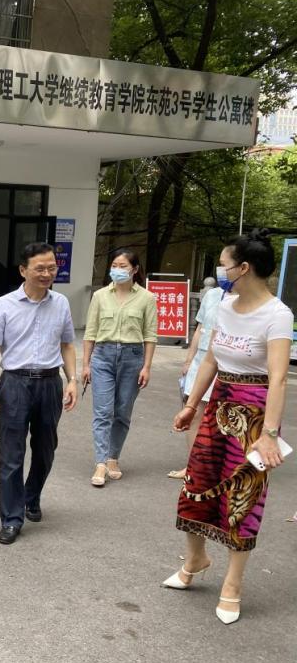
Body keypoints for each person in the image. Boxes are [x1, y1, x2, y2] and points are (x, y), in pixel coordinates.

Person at [164, 229, 293, 625]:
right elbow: (211, 360)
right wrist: (191, 405)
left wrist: (269, 434)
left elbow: (278, 378)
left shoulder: (277, 314)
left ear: (244, 268)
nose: (219, 271)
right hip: (218, 405)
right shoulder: (224, 305)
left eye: (223, 265)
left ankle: (233, 584)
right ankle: (195, 559)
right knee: (196, 484)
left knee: (243, 496)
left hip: (253, 415)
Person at [0, 243, 78, 545]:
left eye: (52, 268)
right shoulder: (4, 305)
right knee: (12, 454)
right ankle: (11, 518)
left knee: (46, 449)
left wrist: (72, 380)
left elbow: (67, 344)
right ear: (24, 270)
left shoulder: (61, 303)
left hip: (50, 384)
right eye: (40, 268)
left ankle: (31, 496)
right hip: (15, 383)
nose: (47, 273)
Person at [81, 249, 157, 486]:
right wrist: (86, 364)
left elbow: (150, 335)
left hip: (132, 357)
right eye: (114, 265)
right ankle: (100, 462)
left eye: (123, 266)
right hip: (102, 356)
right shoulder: (100, 296)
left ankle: (113, 457)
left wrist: (146, 366)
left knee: (122, 412)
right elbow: (90, 332)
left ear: (135, 269)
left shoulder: (147, 298)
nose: (117, 270)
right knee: (102, 412)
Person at [168, 279, 225, 479]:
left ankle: (218, 468)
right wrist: (189, 360)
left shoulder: (243, 299)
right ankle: (193, 467)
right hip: (201, 361)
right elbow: (200, 328)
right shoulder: (212, 295)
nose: (223, 271)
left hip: (225, 365)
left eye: (226, 265)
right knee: (194, 413)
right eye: (221, 266)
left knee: (221, 418)